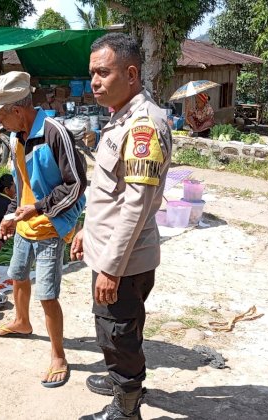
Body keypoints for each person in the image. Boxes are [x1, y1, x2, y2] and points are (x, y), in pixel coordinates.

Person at [72, 33, 172, 419]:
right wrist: (86, 227)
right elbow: (107, 191)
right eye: (92, 73)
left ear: (131, 74)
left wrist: (111, 268)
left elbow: (136, 205)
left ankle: (127, 406)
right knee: (115, 328)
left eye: (102, 72)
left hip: (125, 261)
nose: (94, 81)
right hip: (112, 252)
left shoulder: (144, 126)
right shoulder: (121, 117)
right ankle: (122, 382)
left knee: (118, 333)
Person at [0, 71, 87, 388]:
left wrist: (38, 209)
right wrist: (12, 214)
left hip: (51, 226)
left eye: (0, 114)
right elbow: (22, 183)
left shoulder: (55, 133)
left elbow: (76, 184)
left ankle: (58, 355)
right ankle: (22, 322)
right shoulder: (15, 139)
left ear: (17, 109)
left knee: (47, 293)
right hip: (26, 223)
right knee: (17, 274)